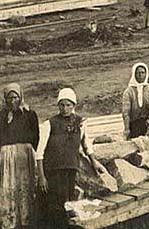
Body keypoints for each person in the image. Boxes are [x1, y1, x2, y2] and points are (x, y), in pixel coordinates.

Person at [37, 88, 102, 229]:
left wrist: (94, 162)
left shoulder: (80, 123)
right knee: (55, 206)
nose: (65, 109)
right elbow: (39, 153)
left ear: (74, 105)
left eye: (68, 105)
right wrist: (42, 177)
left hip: (70, 170)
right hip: (53, 172)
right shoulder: (50, 124)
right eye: (62, 105)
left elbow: (86, 145)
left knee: (69, 204)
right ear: (58, 105)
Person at [0, 83, 39, 229]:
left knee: (26, 188)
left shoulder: (30, 115)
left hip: (25, 158)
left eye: (15, 97)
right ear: (5, 99)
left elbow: (36, 138)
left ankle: (26, 222)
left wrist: (30, 154)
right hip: (7, 159)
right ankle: (10, 223)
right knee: (9, 189)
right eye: (9, 98)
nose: (12, 101)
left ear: (21, 97)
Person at [122, 63, 149, 139]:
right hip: (135, 125)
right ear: (134, 74)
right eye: (138, 73)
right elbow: (126, 112)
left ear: (146, 74)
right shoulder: (128, 91)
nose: (140, 75)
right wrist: (127, 128)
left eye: (142, 73)